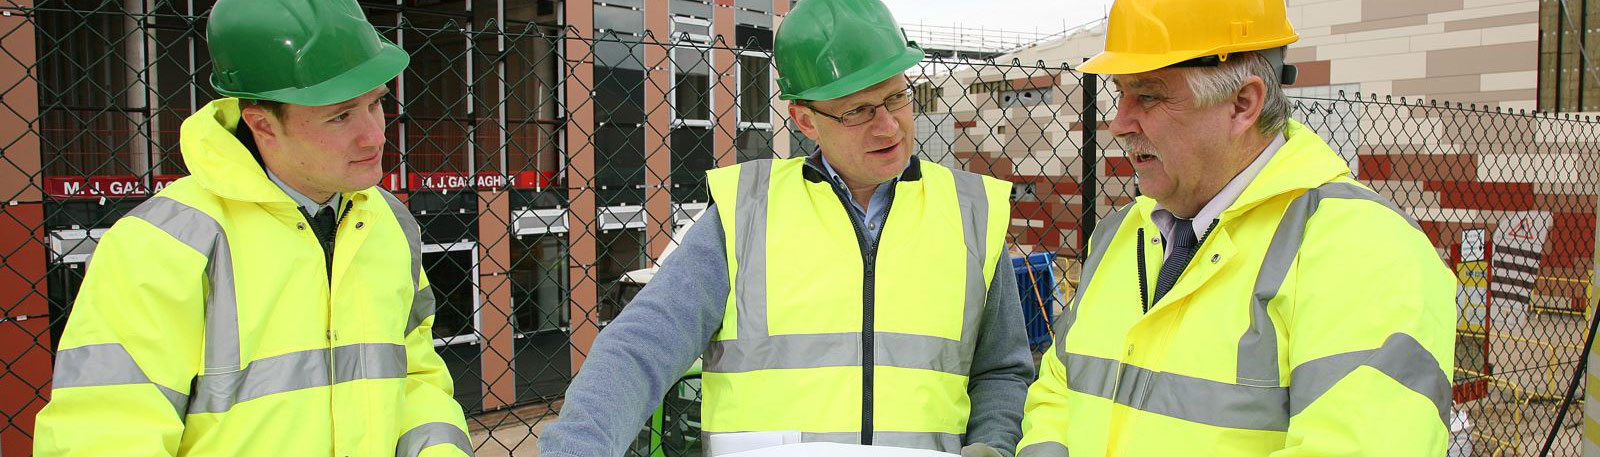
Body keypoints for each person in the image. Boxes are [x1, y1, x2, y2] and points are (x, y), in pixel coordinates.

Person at [536, 0, 1032, 456]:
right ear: (806, 121)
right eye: (858, 109)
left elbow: (1002, 370)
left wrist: (992, 443)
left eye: (897, 97)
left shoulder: (972, 212)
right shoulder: (744, 215)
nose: (889, 126)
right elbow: (640, 348)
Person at [1014, 0, 1457, 455]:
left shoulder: (1366, 249)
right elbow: (1057, 393)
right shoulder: (1119, 235)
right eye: (1120, 93)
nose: (1119, 123)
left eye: (1147, 96)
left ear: (1243, 104)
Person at [33, 0, 472, 455]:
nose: (375, 135)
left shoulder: (389, 223)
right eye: (340, 115)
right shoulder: (163, 241)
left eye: (376, 104)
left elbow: (416, 380)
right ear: (262, 123)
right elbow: (105, 432)